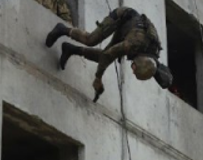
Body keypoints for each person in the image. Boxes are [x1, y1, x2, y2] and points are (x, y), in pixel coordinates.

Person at [45, 7, 173, 102]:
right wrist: (98, 78)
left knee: (101, 57)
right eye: (134, 68)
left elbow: (167, 80)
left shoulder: (152, 61)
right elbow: (108, 55)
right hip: (122, 17)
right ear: (139, 60)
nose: (132, 71)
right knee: (91, 40)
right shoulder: (132, 45)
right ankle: (62, 29)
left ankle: (71, 49)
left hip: (129, 30)